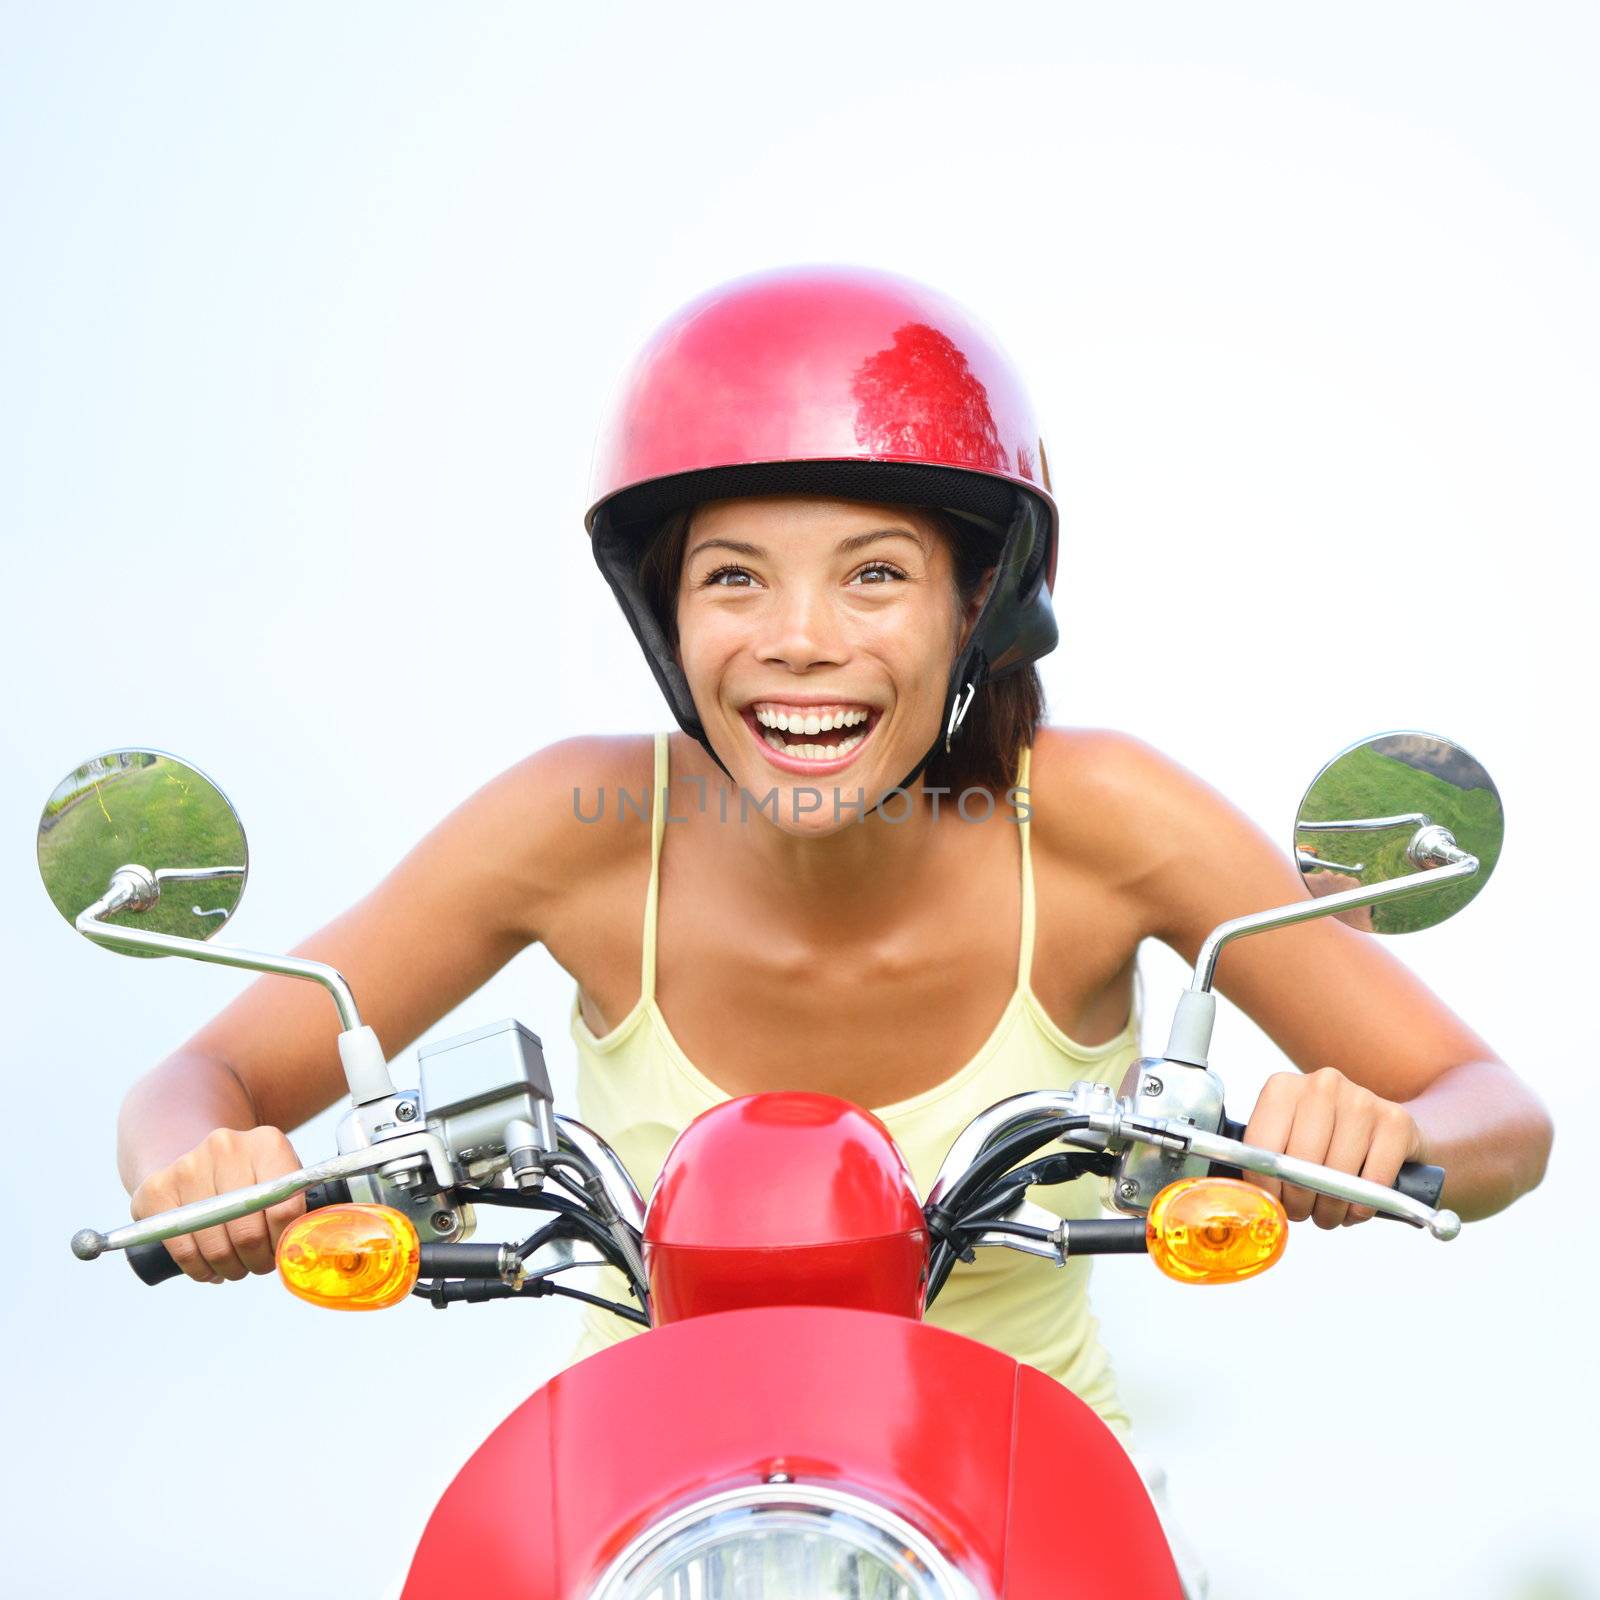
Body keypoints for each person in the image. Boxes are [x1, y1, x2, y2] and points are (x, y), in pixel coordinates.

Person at [116, 266, 1551, 1589]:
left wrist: (1371, 1141)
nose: (799, 636)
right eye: (733, 575)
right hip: (636, 1508)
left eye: (875, 573)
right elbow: (203, 1082)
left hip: (1027, 1512)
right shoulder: (577, 826)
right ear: (664, 619)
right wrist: (213, 1170)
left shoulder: (1113, 820)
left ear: (979, 604)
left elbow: (1496, 1113)